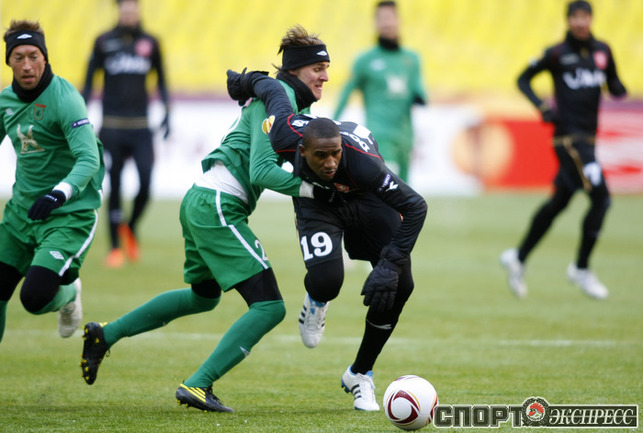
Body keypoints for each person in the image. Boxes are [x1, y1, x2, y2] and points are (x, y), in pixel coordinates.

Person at [79, 25, 332, 413]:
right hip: (218, 203)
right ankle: (198, 385)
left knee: (203, 297)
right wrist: (316, 191)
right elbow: (262, 171)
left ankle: (105, 334)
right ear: (296, 70)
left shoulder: (290, 103)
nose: (325, 76)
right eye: (318, 68)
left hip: (204, 198)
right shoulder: (276, 100)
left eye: (326, 68)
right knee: (270, 307)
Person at [227, 70, 427, 411]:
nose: (331, 162)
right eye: (321, 156)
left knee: (399, 285)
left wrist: (390, 264)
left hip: (365, 197)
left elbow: (416, 206)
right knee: (328, 280)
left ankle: (360, 373)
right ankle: (317, 298)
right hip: (317, 199)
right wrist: (246, 82)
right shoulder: (283, 134)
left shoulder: (364, 165)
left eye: (335, 153)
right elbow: (273, 89)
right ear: (301, 151)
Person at [500, 0, 626, 300]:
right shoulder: (557, 53)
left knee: (559, 202)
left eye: (585, 17)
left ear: (591, 19)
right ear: (568, 20)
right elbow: (522, 79)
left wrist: (617, 87)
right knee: (602, 199)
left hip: (588, 139)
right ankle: (581, 268)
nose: (580, 22)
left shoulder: (603, 51)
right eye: (575, 17)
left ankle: (518, 256)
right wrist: (543, 107)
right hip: (568, 139)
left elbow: (613, 82)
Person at [0, 20, 104, 343]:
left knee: (33, 298)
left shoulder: (65, 98)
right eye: (18, 57)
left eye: (33, 56)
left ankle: (70, 294)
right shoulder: (5, 101)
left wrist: (58, 194)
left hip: (67, 215)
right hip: (21, 214)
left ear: (45, 58)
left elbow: (89, 159)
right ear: (9, 61)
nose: (27, 65)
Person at [82, 0, 170, 268]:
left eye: (133, 9)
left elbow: (162, 81)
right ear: (119, 11)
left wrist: (168, 113)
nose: (129, 14)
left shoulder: (151, 42)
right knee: (115, 184)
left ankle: (129, 227)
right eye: (125, 10)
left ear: (138, 11)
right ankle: (114, 248)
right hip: (112, 126)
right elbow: (89, 82)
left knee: (146, 183)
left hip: (141, 126)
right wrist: (80, 116)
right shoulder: (103, 42)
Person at [334, 0, 426, 182]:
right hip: (379, 133)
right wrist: (332, 124)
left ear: (398, 20)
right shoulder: (364, 60)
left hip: (405, 135)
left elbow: (419, 91)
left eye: (390, 17)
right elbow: (346, 93)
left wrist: (420, 97)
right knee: (388, 180)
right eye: (382, 18)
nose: (387, 23)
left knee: (405, 189)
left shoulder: (412, 59)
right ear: (375, 23)